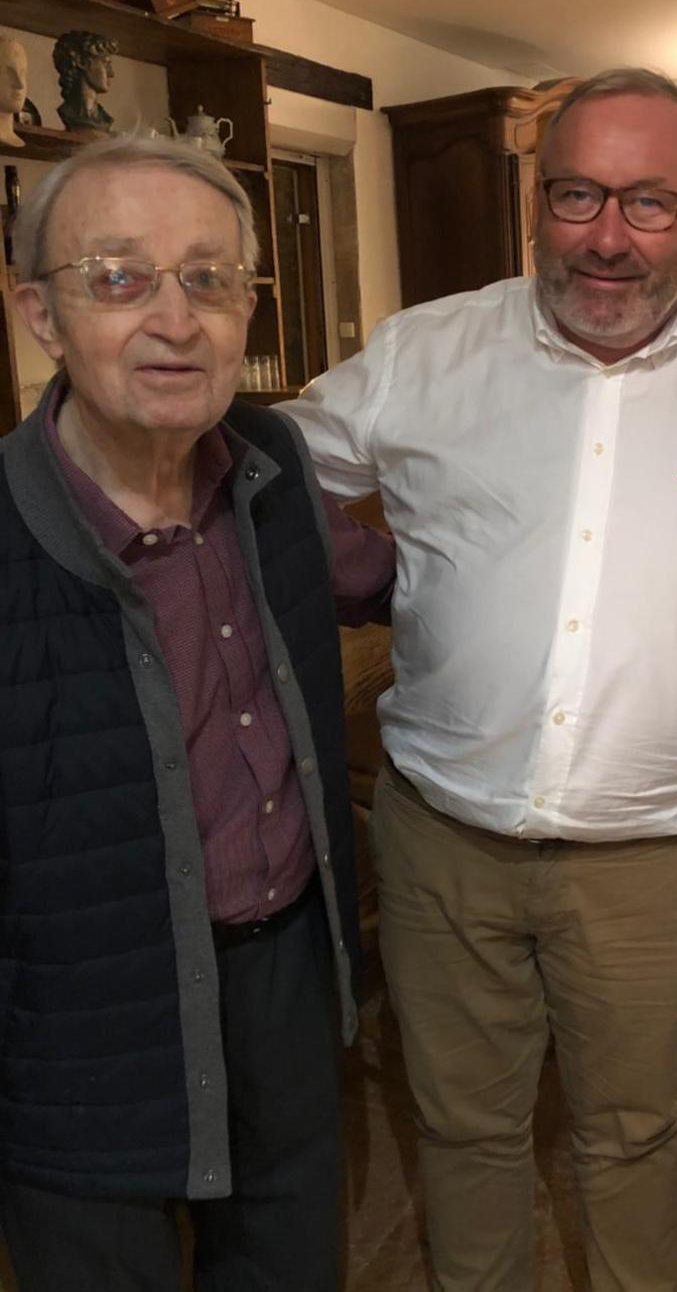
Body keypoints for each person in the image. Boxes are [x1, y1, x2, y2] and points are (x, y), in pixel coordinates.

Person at [280, 68, 677, 1290]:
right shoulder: (427, 352)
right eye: (579, 194)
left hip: (649, 864)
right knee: (464, 1130)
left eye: (648, 201)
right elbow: (264, 476)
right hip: (442, 845)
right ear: (538, 198)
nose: (608, 238)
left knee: (632, 1135)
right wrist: (362, 569)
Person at [0, 136, 395, 1292]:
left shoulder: (272, 465)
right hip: (81, 1032)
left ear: (246, 308)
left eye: (209, 278)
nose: (175, 320)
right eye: (119, 277)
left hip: (284, 986)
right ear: (41, 313)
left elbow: (389, 578)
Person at [53, 29, 116, 132]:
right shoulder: (69, 113)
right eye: (105, 63)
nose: (111, 73)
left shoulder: (104, 119)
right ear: (82, 62)